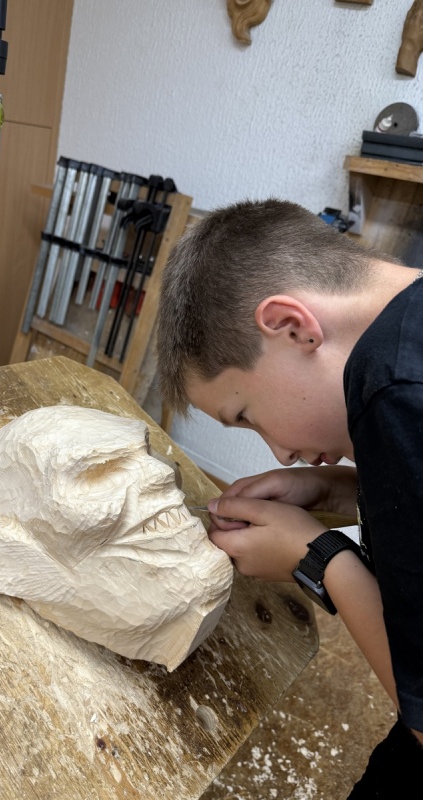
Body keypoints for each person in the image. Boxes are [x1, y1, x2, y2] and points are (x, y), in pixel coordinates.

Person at [155, 198, 423, 796]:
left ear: (292, 326)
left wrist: (318, 558)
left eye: (246, 414)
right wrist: (335, 488)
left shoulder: (398, 398)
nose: (279, 453)